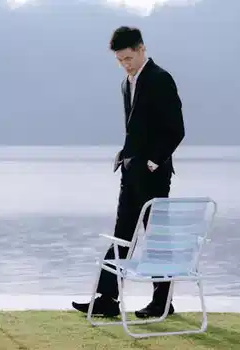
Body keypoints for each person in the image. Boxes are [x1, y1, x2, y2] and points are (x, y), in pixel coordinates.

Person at [71, 26, 185, 318]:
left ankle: (163, 303)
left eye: (129, 58)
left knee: (158, 237)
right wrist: (124, 155)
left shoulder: (161, 79)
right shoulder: (126, 83)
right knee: (122, 234)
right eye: (120, 60)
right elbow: (135, 129)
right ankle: (107, 298)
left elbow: (176, 130)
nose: (125, 64)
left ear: (142, 48)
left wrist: (153, 162)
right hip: (130, 171)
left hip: (154, 173)